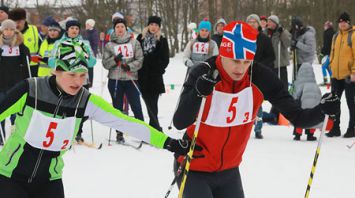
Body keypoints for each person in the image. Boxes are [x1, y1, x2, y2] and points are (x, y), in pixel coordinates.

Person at [0, 38, 190, 198]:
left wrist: (167, 142)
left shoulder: (85, 101)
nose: (78, 81)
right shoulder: (31, 90)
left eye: (82, 75)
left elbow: (126, 123)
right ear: (56, 70)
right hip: (10, 176)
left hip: (49, 180)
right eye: (72, 74)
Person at [172, 21, 339, 198]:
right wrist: (197, 93)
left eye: (246, 61)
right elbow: (180, 121)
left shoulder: (260, 77)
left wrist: (322, 110)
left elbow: (298, 117)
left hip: (229, 171)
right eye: (235, 60)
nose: (240, 68)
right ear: (223, 54)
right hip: (193, 168)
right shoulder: (205, 73)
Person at [50, 19, 96, 143]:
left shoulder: (84, 43)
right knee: (63, 106)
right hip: (65, 80)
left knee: (80, 106)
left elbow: (92, 61)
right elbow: (51, 61)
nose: (74, 30)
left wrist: (84, 57)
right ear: (67, 29)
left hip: (81, 80)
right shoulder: (60, 43)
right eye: (72, 28)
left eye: (76, 28)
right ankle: (61, 132)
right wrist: (65, 62)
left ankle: (78, 132)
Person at [102, 18, 144, 143]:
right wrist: (114, 60)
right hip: (115, 80)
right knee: (117, 108)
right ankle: (119, 133)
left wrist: (129, 66)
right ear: (114, 29)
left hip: (130, 79)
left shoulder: (134, 42)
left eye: (122, 26)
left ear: (126, 28)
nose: (120, 29)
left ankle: (143, 132)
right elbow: (105, 63)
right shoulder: (110, 45)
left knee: (136, 106)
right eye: (117, 27)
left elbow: (140, 59)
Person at [0, 19, 30, 145]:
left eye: (11, 29)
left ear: (15, 31)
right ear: (2, 30)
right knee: (1, 109)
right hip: (1, 83)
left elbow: (26, 62)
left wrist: (26, 54)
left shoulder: (19, 44)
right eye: (6, 29)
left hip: (16, 83)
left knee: (14, 111)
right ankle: (1, 137)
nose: (9, 32)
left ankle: (15, 134)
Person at [137, 16, 169, 131]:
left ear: (159, 27)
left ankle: (154, 127)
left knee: (153, 104)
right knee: (147, 102)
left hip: (155, 77)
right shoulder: (140, 38)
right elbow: (136, 55)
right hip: (143, 77)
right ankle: (154, 126)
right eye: (151, 24)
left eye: (156, 25)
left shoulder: (162, 40)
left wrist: (158, 69)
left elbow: (165, 59)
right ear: (148, 26)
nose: (153, 27)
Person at [246, 14, 275, 139]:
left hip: (258, 74)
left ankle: (258, 129)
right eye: (250, 22)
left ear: (258, 24)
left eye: (254, 22)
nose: (252, 24)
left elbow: (271, 57)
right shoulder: (243, 38)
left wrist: (259, 66)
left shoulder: (264, 39)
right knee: (243, 102)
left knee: (257, 102)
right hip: (243, 73)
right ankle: (242, 129)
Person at [327, 12, 355, 138]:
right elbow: (332, 53)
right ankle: (335, 127)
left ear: (349, 22)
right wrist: (331, 66)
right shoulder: (336, 36)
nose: (342, 24)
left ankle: (352, 127)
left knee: (350, 102)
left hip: (349, 76)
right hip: (336, 75)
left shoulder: (353, 35)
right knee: (334, 102)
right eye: (340, 21)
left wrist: (354, 72)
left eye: (345, 21)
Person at [264, 15, 291, 124]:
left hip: (280, 65)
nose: (269, 23)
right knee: (272, 89)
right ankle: (274, 113)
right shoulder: (265, 33)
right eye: (268, 21)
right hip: (270, 65)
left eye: (271, 22)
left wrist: (282, 32)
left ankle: (280, 112)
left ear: (276, 23)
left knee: (283, 88)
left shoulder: (281, 32)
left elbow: (288, 43)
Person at [292, 63, 322, 141]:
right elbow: (320, 96)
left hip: (303, 106)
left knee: (301, 118)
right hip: (314, 106)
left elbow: (296, 95)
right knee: (312, 119)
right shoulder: (315, 85)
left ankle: (298, 135)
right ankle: (310, 135)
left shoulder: (300, 84)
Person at [8, 8, 41, 77]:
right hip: (13, 68)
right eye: (14, 21)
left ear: (24, 20)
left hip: (32, 67)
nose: (17, 24)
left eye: (19, 21)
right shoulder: (6, 32)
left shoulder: (33, 30)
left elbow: (42, 46)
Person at [290, 16, 316, 80]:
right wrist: (292, 46)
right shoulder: (298, 34)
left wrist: (297, 44)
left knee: (305, 81)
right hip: (298, 62)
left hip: (306, 63)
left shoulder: (308, 34)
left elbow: (310, 48)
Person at [82, 18, 99, 88]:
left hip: (90, 53)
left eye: (88, 24)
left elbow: (95, 44)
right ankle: (84, 80)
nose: (86, 25)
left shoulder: (94, 33)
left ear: (91, 25)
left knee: (90, 67)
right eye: (86, 24)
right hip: (84, 52)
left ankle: (90, 82)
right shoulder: (85, 32)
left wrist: (93, 53)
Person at [319, 21, 335, 86]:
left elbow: (326, 44)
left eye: (325, 26)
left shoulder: (326, 33)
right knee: (328, 67)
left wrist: (322, 52)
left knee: (323, 66)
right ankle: (332, 79)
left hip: (328, 53)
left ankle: (325, 80)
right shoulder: (334, 32)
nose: (324, 27)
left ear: (328, 26)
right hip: (333, 53)